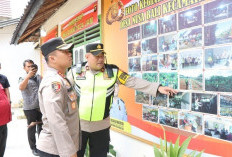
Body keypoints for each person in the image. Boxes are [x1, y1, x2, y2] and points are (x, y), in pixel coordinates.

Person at [67, 43, 178, 157]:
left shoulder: (112, 71)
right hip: (79, 126)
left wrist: (157, 87)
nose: (100, 59)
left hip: (101, 127)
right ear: (87, 56)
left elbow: (133, 81)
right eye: (96, 56)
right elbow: (63, 91)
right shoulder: (76, 71)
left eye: (102, 55)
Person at [37, 37, 80, 157]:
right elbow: (56, 120)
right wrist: (69, 152)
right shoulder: (53, 82)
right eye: (65, 52)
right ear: (52, 58)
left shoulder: (61, 78)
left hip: (61, 148)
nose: (69, 54)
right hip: (56, 150)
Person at [19, 60, 42, 156]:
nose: (30, 68)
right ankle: (33, 148)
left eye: (32, 66)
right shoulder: (22, 78)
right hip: (29, 108)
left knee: (41, 127)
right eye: (28, 66)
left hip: (40, 106)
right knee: (31, 128)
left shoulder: (39, 77)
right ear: (24, 68)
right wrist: (28, 76)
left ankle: (41, 147)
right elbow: (21, 87)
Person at [0, 63, 11, 157]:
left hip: (3, 114)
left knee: (3, 135)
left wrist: (8, 102)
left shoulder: (3, 78)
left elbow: (7, 90)